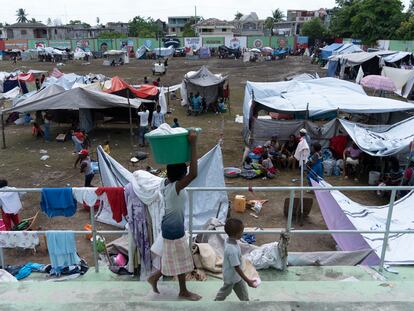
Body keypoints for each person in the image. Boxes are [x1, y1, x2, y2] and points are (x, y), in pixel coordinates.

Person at [148, 131, 201, 301]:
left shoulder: (166, 183)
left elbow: (179, 169)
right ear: (180, 177)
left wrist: (178, 149)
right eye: (183, 173)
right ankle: (182, 291)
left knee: (176, 259)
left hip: (170, 227)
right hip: (173, 229)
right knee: (180, 259)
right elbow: (194, 174)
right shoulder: (176, 187)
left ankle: (155, 278)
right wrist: (192, 144)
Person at [215, 218, 255, 301]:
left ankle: (246, 302)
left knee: (243, 292)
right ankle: (216, 302)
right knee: (225, 292)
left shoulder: (228, 240)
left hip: (237, 277)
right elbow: (237, 268)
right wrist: (248, 280)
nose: (243, 233)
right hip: (231, 278)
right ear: (237, 234)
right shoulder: (231, 250)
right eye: (242, 232)